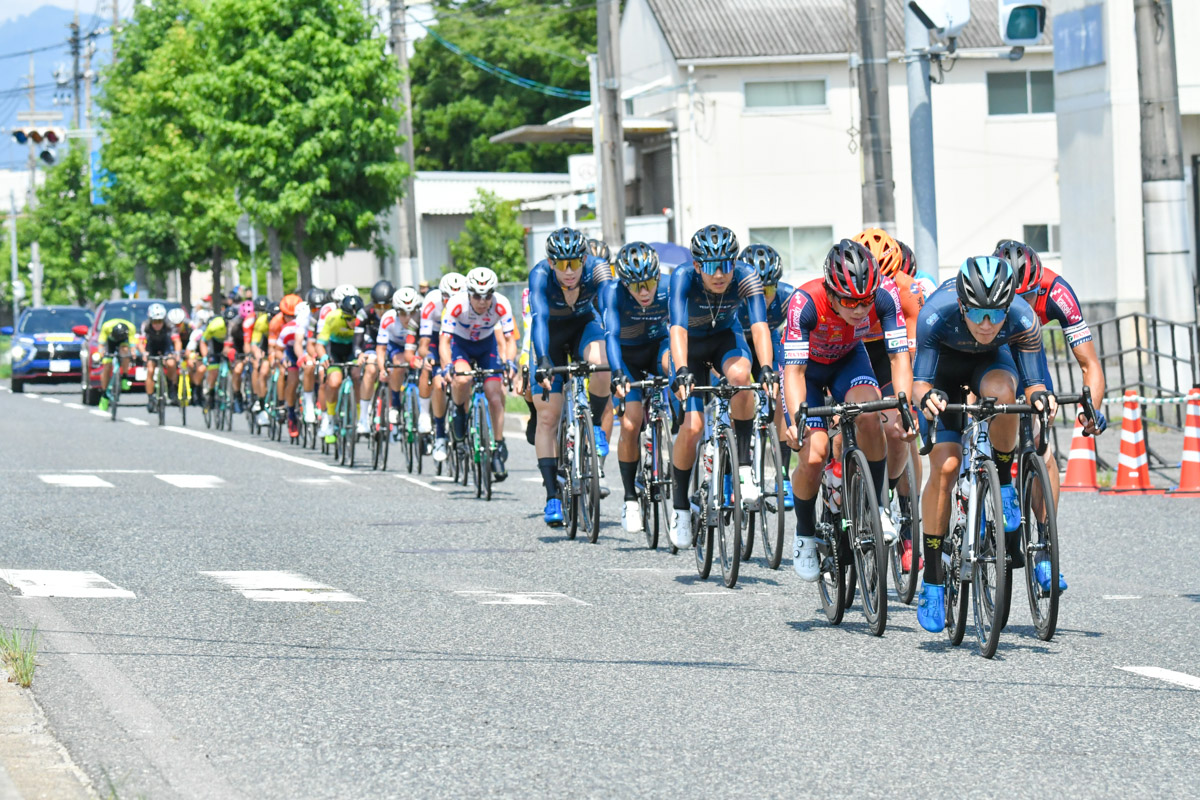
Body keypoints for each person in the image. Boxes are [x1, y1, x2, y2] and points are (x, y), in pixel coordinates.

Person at [912, 256, 1056, 633]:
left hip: (992, 365)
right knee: (944, 467)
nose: (988, 324)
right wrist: (926, 399)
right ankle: (932, 578)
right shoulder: (935, 313)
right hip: (944, 370)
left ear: (1008, 306)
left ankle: (1004, 482)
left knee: (1006, 396)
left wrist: (1041, 398)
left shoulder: (1023, 317)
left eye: (996, 313)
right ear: (962, 305)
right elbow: (919, 383)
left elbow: (1036, 382)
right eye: (978, 314)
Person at [781, 239, 912, 580]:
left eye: (864, 301)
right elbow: (793, 372)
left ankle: (879, 506)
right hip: (807, 370)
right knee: (814, 453)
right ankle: (805, 534)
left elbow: (899, 357)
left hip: (847, 361)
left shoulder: (884, 296)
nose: (859, 309)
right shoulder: (805, 302)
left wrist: (904, 405)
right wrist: (797, 420)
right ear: (831, 290)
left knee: (870, 413)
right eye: (850, 301)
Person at [667, 224, 778, 548]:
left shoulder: (747, 276)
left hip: (724, 342)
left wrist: (768, 369)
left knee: (743, 377)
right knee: (692, 426)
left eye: (726, 265)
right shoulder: (682, 277)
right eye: (711, 267)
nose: (719, 275)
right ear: (698, 266)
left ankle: (743, 465)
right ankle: (680, 508)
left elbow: (759, 328)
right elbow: (676, 329)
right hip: (690, 346)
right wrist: (683, 369)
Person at [529, 227, 613, 527]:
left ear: (585, 259)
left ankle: (596, 426)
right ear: (550, 263)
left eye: (575, 263)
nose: (569, 272)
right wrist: (541, 361)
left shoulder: (598, 270)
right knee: (548, 417)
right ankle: (552, 495)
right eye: (561, 264)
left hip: (584, 326)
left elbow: (610, 311)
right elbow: (538, 318)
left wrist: (618, 352)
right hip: (549, 333)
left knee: (603, 364)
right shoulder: (539, 275)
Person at [602, 242, 672, 533]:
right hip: (627, 357)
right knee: (630, 425)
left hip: (659, 349)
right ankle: (630, 498)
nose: (645, 292)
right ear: (625, 283)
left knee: (674, 368)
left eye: (650, 283)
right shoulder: (613, 293)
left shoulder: (668, 288)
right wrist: (617, 373)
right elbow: (611, 335)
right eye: (637, 285)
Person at [441, 267, 518, 480]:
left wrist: (510, 362)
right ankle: (459, 410)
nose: (483, 301)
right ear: (468, 293)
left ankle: (497, 445)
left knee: (494, 393)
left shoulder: (502, 304)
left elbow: (511, 339)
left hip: (486, 346)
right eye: (477, 295)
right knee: (463, 379)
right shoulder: (456, 304)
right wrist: (448, 365)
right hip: (461, 345)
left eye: (487, 295)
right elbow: (444, 341)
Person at [736, 243, 795, 508]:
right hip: (737, 343)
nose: (764, 296)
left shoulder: (787, 297)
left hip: (767, 342)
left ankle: (783, 475)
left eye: (769, 289)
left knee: (781, 389)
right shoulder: (733, 300)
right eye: (758, 290)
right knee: (732, 388)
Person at [418, 273, 468, 461]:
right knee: (438, 383)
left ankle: (464, 422)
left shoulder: (468, 305)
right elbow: (423, 344)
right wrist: (429, 356)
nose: (451, 302)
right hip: (434, 337)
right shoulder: (431, 304)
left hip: (458, 337)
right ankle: (439, 432)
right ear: (441, 296)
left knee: (466, 379)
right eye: (447, 298)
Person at [315, 292, 366, 442]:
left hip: (353, 350)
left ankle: (359, 417)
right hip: (335, 351)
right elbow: (320, 344)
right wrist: (323, 356)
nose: (352, 322)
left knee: (357, 376)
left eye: (355, 319)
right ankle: (330, 419)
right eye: (348, 318)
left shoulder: (363, 321)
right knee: (334, 381)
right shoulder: (333, 317)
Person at [377, 287, 422, 424]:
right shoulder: (388, 319)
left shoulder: (422, 318)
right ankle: (395, 405)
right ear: (396, 312)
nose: (408, 317)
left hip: (416, 344)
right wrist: (382, 369)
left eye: (412, 312)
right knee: (399, 363)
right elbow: (381, 348)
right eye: (403, 313)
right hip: (396, 346)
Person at [139, 303, 183, 412]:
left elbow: (176, 340)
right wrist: (144, 353)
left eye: (160, 321)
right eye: (154, 321)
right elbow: (140, 342)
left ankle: (171, 386)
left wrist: (177, 352)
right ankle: (150, 398)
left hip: (165, 345)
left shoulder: (169, 325)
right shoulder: (146, 325)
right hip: (152, 346)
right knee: (150, 369)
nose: (157, 324)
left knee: (171, 364)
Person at [97, 316, 135, 409]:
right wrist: (102, 353)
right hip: (110, 341)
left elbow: (133, 345)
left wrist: (133, 354)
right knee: (107, 365)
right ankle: (104, 394)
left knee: (126, 352)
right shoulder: (106, 326)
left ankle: (125, 377)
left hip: (124, 341)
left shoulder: (130, 327)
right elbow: (101, 344)